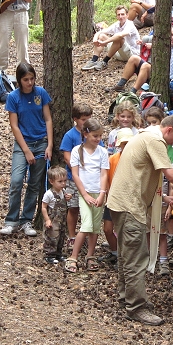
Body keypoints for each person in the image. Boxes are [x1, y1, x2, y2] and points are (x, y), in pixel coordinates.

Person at [107, 114, 173, 326]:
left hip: (121, 201)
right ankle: (136, 307)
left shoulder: (145, 135)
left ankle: (126, 296)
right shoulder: (155, 140)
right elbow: (171, 175)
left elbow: (141, 173)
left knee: (127, 253)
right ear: (169, 130)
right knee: (136, 255)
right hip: (129, 205)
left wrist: (163, 197)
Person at [0, 63, 53, 237]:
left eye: (32, 79)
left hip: (41, 142)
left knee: (34, 184)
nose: (29, 82)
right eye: (25, 79)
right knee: (16, 181)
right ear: (19, 80)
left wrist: (50, 144)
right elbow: (14, 126)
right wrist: (26, 150)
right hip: (23, 144)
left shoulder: (41, 93)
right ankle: (11, 220)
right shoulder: (13, 97)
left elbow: (48, 120)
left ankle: (26, 220)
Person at [65, 119, 110, 273]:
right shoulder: (77, 151)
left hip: (98, 193)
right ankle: (73, 257)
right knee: (86, 225)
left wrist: (102, 194)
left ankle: (90, 256)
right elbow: (76, 175)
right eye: (95, 136)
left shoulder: (102, 152)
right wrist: (84, 194)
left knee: (95, 228)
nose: (98, 139)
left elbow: (104, 174)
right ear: (85, 134)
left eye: (100, 136)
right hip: (84, 194)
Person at [59, 103, 99, 249]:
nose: (86, 122)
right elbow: (66, 156)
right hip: (72, 178)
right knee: (74, 207)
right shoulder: (70, 135)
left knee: (89, 208)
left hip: (91, 179)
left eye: (89, 118)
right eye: (83, 119)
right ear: (75, 119)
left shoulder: (93, 135)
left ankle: (88, 234)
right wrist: (78, 170)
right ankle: (72, 236)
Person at [108, 27, 173, 93]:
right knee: (134, 58)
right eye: (171, 35)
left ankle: (132, 92)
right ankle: (120, 85)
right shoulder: (166, 43)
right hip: (157, 73)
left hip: (167, 79)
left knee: (146, 66)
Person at [100, 128, 137, 266]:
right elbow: (107, 179)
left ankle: (124, 257)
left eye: (129, 143)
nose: (126, 145)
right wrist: (108, 195)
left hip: (129, 201)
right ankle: (116, 252)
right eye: (124, 143)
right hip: (113, 199)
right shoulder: (113, 159)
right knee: (108, 229)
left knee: (125, 230)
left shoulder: (137, 159)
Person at [81, 5, 140, 71]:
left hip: (131, 54)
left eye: (123, 14)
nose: (121, 16)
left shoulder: (130, 24)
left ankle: (104, 62)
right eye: (119, 15)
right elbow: (101, 32)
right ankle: (93, 60)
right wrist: (95, 39)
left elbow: (120, 36)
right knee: (101, 36)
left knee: (118, 38)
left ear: (127, 15)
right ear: (116, 16)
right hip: (119, 53)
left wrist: (105, 42)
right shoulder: (117, 24)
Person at [41, 167, 72, 264]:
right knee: (52, 236)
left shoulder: (63, 191)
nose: (63, 183)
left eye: (64, 181)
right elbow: (43, 207)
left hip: (62, 219)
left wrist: (68, 197)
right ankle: (49, 254)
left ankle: (59, 253)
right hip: (53, 219)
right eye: (60, 181)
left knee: (61, 235)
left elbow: (64, 202)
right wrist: (47, 220)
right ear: (51, 181)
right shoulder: (49, 194)